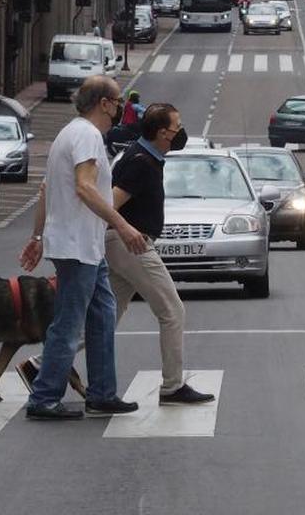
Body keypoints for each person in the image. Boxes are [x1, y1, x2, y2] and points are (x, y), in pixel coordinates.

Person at [17, 75, 147, 420]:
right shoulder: (88, 136)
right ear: (104, 104)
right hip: (77, 246)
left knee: (103, 314)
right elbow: (85, 189)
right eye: (118, 102)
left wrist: (37, 237)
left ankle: (102, 393)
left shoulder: (70, 132)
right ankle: (44, 398)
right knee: (69, 323)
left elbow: (46, 190)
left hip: (84, 245)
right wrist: (123, 224)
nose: (122, 108)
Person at [104, 104, 214, 405]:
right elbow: (111, 203)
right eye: (177, 127)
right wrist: (127, 231)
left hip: (124, 244)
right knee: (172, 311)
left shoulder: (144, 157)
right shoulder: (141, 161)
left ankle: (43, 363)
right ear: (163, 133)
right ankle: (172, 385)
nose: (181, 132)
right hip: (133, 244)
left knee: (107, 316)